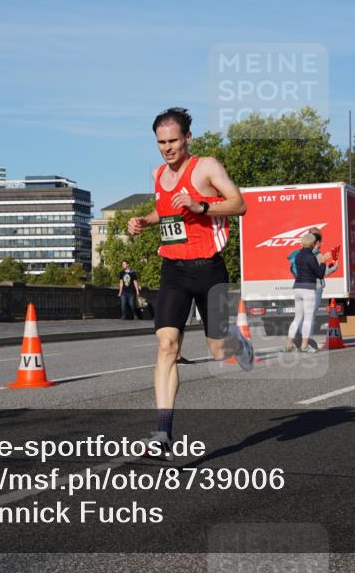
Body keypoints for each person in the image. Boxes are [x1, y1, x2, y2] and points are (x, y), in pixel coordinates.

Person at [127, 107, 254, 457]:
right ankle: (163, 433)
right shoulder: (157, 174)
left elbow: (239, 204)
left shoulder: (206, 166)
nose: (167, 148)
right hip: (174, 271)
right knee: (167, 345)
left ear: (187, 139)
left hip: (209, 269)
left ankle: (238, 343)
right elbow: (166, 211)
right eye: (161, 142)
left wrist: (200, 207)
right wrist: (144, 221)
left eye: (173, 141)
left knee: (218, 350)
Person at [286, 232, 336, 352]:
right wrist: (323, 261)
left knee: (297, 317)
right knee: (308, 318)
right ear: (313, 244)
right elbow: (319, 273)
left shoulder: (298, 256)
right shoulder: (311, 257)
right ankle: (304, 345)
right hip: (308, 288)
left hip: (297, 287)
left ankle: (289, 343)